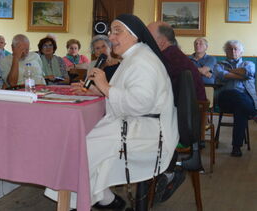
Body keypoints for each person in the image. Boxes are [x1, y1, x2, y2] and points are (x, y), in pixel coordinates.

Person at [47, 14, 178, 209]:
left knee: (80, 149)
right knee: (80, 141)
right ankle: (104, 200)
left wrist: (105, 87)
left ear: (135, 36)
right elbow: (124, 93)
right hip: (136, 124)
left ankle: (83, 202)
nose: (111, 37)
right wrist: (95, 89)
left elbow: (140, 103)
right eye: (110, 32)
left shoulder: (143, 61)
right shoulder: (134, 57)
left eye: (117, 31)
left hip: (148, 133)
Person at [213, 40, 256, 157]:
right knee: (235, 94)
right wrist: (241, 74)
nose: (233, 51)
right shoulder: (219, 64)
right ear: (225, 52)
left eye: (236, 49)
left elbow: (247, 72)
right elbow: (222, 75)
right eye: (230, 49)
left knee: (240, 108)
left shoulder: (249, 64)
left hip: (245, 99)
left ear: (241, 52)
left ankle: (236, 148)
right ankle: (253, 113)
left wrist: (230, 71)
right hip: (225, 98)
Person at [147, 21, 206, 102]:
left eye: (148, 36)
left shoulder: (167, 58)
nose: (144, 40)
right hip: (190, 109)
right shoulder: (173, 54)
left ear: (162, 41)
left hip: (184, 111)